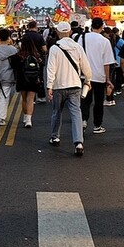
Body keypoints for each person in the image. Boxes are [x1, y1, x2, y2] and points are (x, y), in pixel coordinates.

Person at [45, 21, 91, 156]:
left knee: (56, 112)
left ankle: (55, 136)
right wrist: (88, 80)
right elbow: (86, 67)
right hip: (75, 85)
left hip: (59, 86)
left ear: (58, 33)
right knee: (76, 113)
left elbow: (51, 68)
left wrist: (49, 86)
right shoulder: (77, 47)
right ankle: (78, 142)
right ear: (70, 32)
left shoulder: (54, 48)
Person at [74, 17, 116, 134]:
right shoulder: (105, 41)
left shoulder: (81, 38)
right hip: (99, 76)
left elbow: (77, 57)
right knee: (98, 101)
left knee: (85, 100)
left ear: (91, 25)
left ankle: (83, 120)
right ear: (102, 27)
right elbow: (107, 63)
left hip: (84, 76)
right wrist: (108, 79)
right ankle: (97, 125)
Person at [0, 28, 19, 127]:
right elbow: (16, 65)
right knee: (4, 97)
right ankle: (0, 118)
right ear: (8, 37)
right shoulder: (13, 50)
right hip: (7, 76)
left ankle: (0, 114)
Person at [14, 34, 43, 128]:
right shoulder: (36, 55)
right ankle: (29, 120)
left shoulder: (19, 55)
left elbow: (15, 67)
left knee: (24, 99)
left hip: (22, 79)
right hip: (33, 79)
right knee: (30, 99)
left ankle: (25, 117)